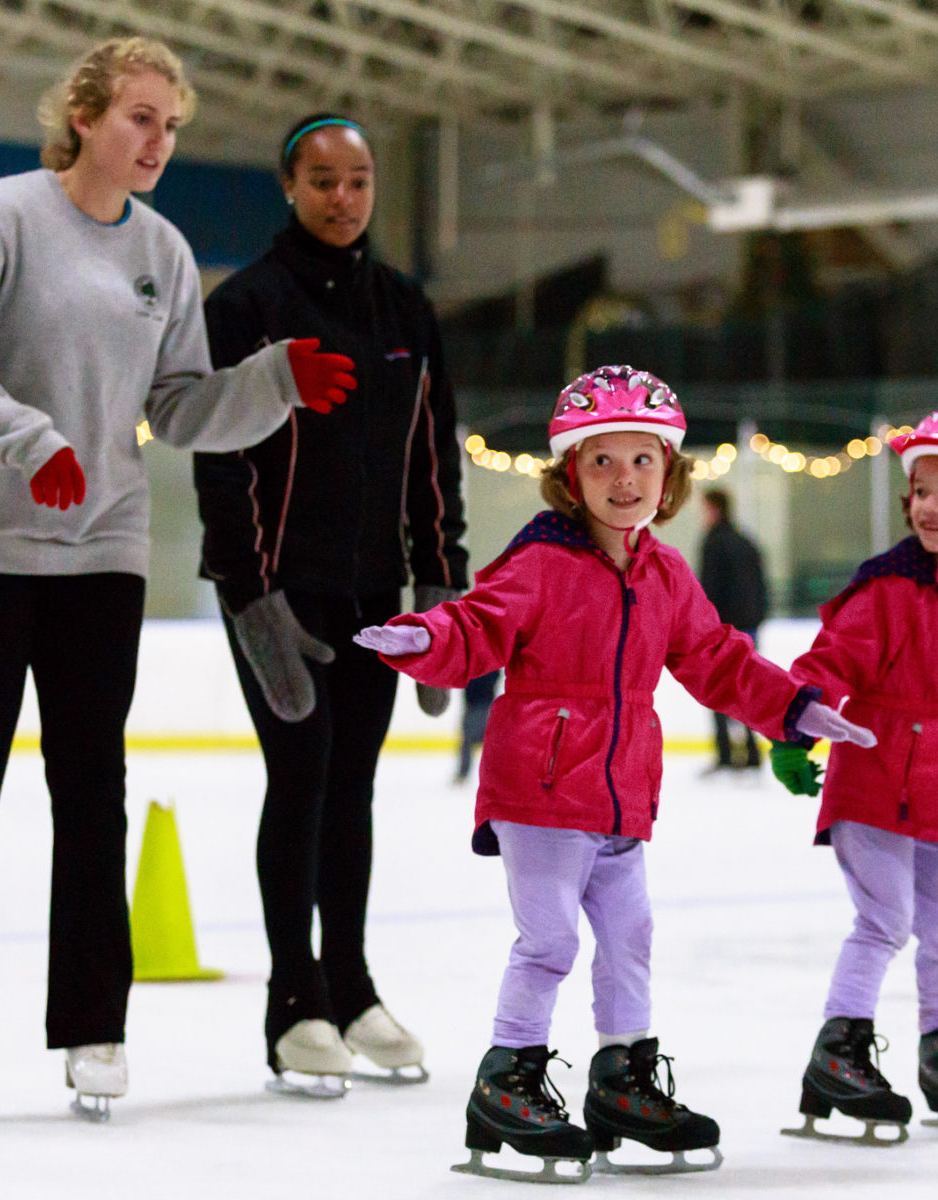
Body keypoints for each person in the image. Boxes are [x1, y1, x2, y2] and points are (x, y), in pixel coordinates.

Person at [0, 37, 357, 1126]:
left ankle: (94, 1025)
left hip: (102, 548)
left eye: (172, 126)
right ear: (83, 115)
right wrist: (28, 442)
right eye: (141, 118)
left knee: (94, 786)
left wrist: (270, 383)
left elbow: (176, 407)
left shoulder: (165, 253)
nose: (159, 142)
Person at [353, 366, 876, 1180]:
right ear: (569, 476)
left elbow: (716, 658)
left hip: (622, 795)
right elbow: (478, 624)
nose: (624, 479)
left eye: (643, 460)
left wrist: (794, 709)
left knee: (631, 937)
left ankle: (622, 1077)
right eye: (602, 461)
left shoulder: (664, 573)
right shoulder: (538, 563)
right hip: (541, 788)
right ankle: (509, 1079)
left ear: (669, 475)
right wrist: (426, 640)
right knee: (551, 939)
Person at [191, 112, 467, 1094]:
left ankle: (349, 986)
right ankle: (292, 1001)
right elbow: (220, 463)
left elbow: (435, 456)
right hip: (278, 593)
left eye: (357, 180)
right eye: (321, 180)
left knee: (353, 790)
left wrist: (442, 587)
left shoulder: (406, 311)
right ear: (287, 185)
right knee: (299, 781)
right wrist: (250, 594)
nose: (341, 198)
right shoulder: (247, 306)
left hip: (374, 594)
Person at [770, 404, 938, 1142]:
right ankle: (840, 1053)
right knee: (884, 921)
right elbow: (824, 664)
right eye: (919, 490)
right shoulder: (889, 588)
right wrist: (795, 723)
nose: (926, 506)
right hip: (873, 779)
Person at [697, 489, 768, 772]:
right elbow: (761, 586)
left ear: (714, 509)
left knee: (718, 689)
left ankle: (726, 753)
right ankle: (751, 752)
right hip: (748, 627)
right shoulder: (746, 542)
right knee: (745, 689)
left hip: (723, 629)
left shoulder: (714, 543)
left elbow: (709, 590)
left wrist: (706, 628)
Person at [456, 669, 502, 784]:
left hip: (483, 704)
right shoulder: (475, 661)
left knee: (476, 741)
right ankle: (464, 773)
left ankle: (493, 775)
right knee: (469, 741)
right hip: (474, 704)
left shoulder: (490, 664)